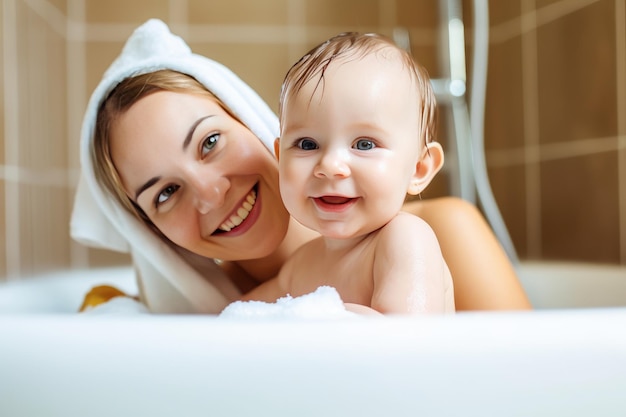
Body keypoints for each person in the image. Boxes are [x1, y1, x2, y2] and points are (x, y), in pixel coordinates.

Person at [71, 19, 531, 314]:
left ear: (249, 119)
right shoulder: (225, 306)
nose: (211, 194)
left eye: (210, 141)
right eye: (165, 193)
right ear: (149, 230)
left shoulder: (439, 234)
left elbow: (536, 386)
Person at [241, 33, 454, 314]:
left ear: (418, 169)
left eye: (364, 144)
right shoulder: (301, 264)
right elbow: (237, 317)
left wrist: (315, 322)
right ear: (281, 159)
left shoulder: (405, 239)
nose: (330, 165)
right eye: (308, 144)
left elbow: (408, 341)